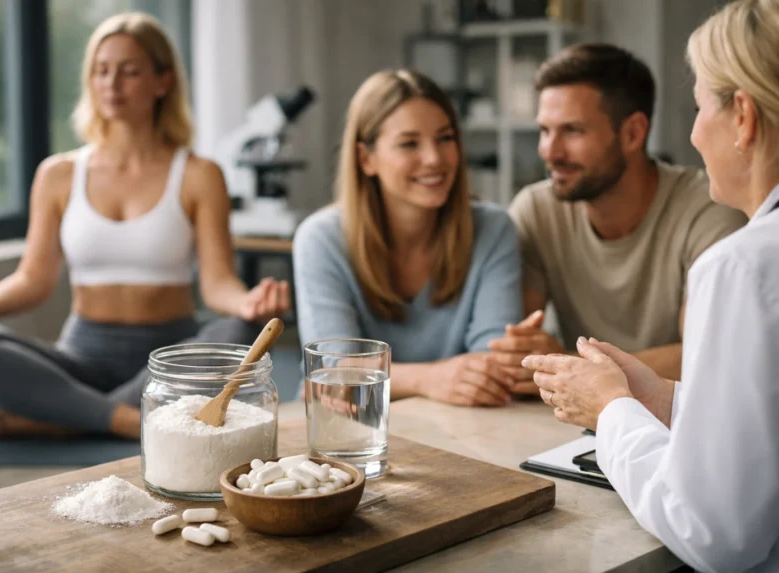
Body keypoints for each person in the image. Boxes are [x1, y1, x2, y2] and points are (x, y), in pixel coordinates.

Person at [0, 12, 290, 440]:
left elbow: (218, 284)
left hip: (169, 362)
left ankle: (62, 417)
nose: (111, 85)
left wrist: (249, 304)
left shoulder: (199, 174)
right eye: (101, 70)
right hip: (80, 360)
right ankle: (128, 419)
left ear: (163, 80)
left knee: (240, 331)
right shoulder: (58, 174)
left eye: (129, 71)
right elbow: (33, 280)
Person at [524, 1, 779, 570]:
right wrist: (659, 395)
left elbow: (717, 537)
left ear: (743, 117)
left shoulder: (740, 266)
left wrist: (610, 407)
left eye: (698, 109)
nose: (690, 135)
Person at [488, 43, 747, 396]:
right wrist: (528, 355)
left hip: (676, 420)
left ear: (633, 133)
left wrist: (574, 368)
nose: (550, 151)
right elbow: (516, 347)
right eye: (545, 131)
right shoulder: (536, 210)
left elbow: (705, 357)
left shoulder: (708, 209)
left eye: (573, 131)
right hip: (575, 421)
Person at [293, 69, 523, 408]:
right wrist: (429, 379)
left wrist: (370, 374)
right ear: (365, 158)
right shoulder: (321, 239)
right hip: (349, 433)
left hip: (461, 426)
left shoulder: (494, 229)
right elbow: (333, 370)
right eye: (409, 143)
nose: (434, 158)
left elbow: (492, 365)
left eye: (445, 138)